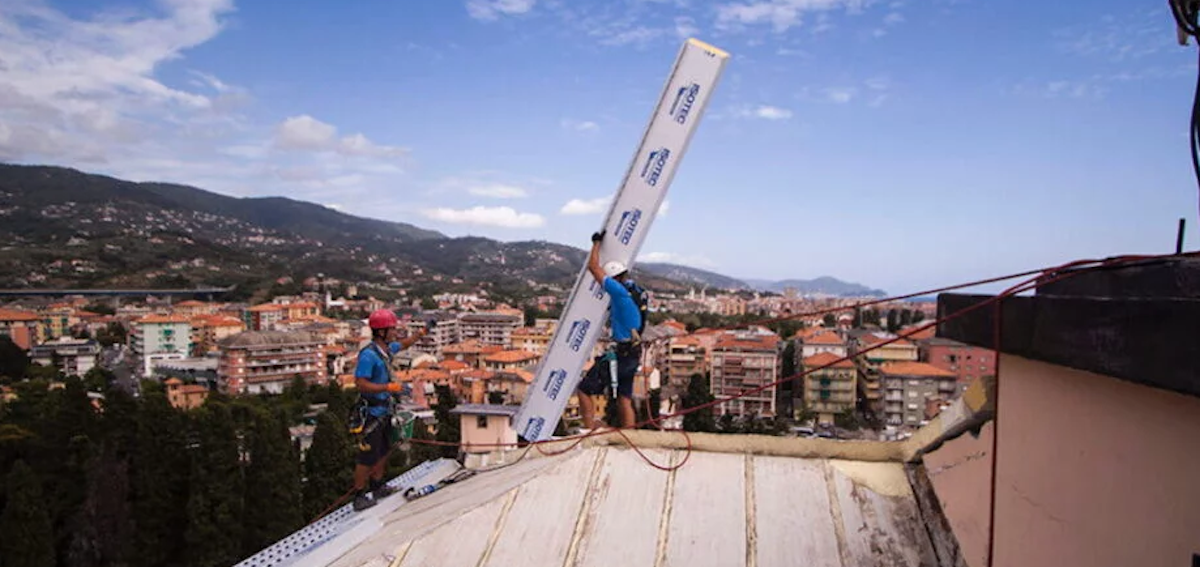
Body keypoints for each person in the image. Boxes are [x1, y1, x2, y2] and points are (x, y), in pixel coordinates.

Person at [352, 308, 426, 511]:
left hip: (383, 409)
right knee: (367, 456)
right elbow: (360, 383)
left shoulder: (385, 350)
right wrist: (387, 387)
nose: (395, 332)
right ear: (382, 331)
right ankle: (359, 495)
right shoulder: (369, 355)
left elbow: (403, 344)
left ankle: (377, 486)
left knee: (383, 450)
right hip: (371, 413)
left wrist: (420, 333)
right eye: (392, 329)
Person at [576, 230, 643, 429]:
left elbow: (593, 268)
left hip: (621, 354)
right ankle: (629, 434)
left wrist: (596, 242)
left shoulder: (618, 290)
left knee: (584, 390)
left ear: (614, 279)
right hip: (632, 354)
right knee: (624, 398)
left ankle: (589, 430)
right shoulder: (636, 292)